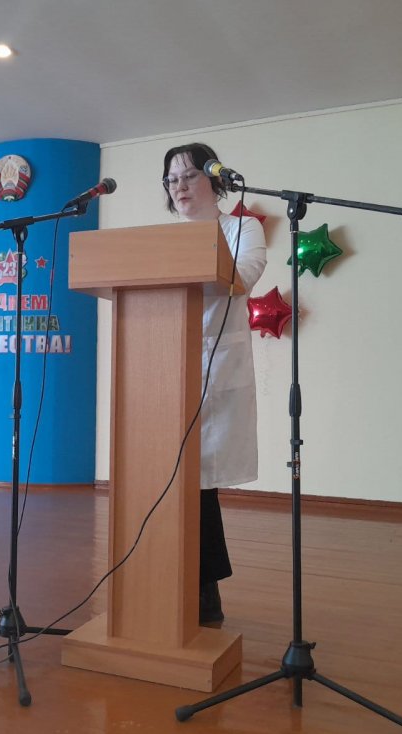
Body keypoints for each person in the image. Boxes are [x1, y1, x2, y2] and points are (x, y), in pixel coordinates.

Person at [161, 142, 268, 624]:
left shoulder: (242, 228)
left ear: (213, 180)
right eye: (171, 179)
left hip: (216, 370)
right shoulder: (160, 240)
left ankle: (204, 591)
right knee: (170, 479)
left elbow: (242, 278)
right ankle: (171, 582)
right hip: (163, 366)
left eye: (188, 175)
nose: (179, 186)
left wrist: (191, 264)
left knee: (200, 482)